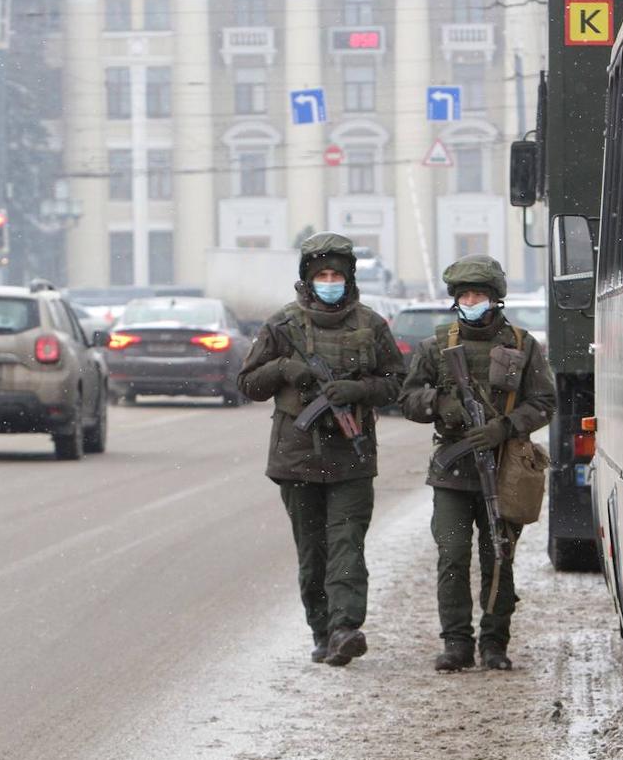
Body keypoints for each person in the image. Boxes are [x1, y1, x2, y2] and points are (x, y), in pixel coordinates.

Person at [237, 232, 406, 666]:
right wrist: (282, 368)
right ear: (308, 281)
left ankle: (346, 628)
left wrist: (359, 387)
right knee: (313, 552)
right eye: (322, 275)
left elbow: (397, 384)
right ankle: (321, 630)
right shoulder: (282, 325)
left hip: (351, 454)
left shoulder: (370, 325)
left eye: (336, 275)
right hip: (297, 457)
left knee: (347, 545)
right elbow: (248, 385)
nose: (329, 281)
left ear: (348, 279)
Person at [398, 255, 555, 671]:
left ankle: (494, 643)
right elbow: (407, 399)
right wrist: (440, 403)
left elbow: (545, 402)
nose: (471, 300)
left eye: (479, 294)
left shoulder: (522, 345)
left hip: (504, 471)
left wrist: (506, 427)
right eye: (465, 294)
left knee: (499, 556)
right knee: (452, 555)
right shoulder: (436, 347)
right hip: (452, 472)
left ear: (495, 298)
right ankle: (456, 643)